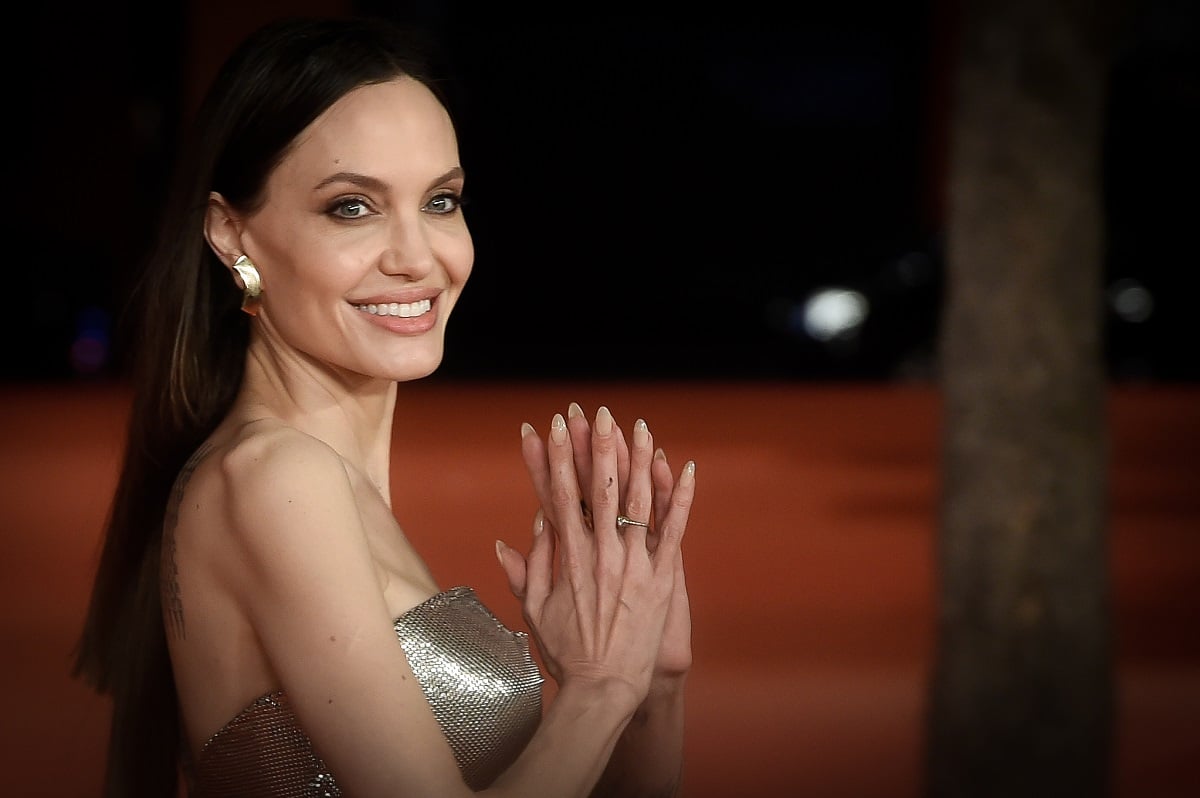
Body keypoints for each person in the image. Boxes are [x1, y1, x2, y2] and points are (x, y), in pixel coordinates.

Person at [72, 15, 697, 798]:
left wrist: (651, 683)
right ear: (233, 232)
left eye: (440, 201)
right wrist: (600, 693)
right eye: (352, 208)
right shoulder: (275, 479)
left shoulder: (318, 480)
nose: (416, 257)